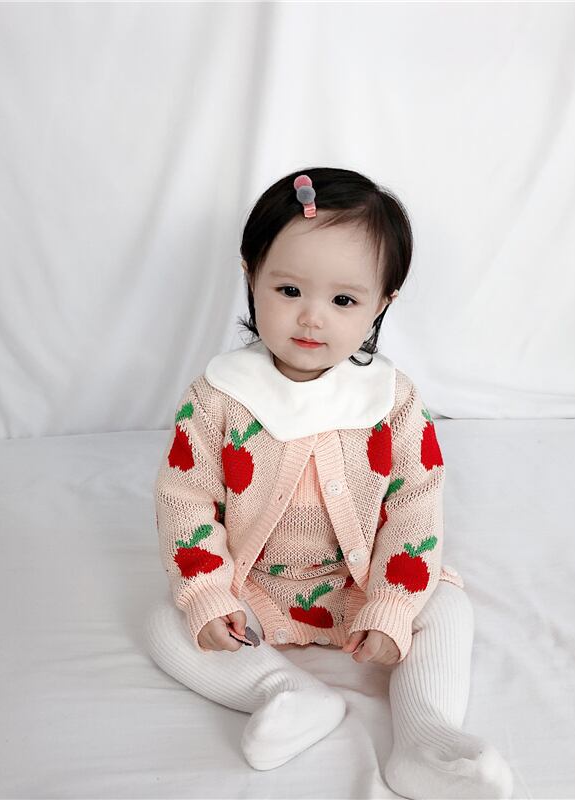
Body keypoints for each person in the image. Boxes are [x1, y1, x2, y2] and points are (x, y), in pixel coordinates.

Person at [144, 167, 514, 799]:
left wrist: (391, 605)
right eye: (288, 289)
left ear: (382, 303)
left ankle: (425, 737)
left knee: (447, 606)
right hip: (254, 590)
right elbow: (184, 500)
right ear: (251, 276)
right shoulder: (219, 397)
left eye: (344, 301)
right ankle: (286, 694)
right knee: (164, 620)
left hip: (357, 584)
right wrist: (208, 596)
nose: (312, 318)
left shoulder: (391, 401)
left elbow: (415, 508)